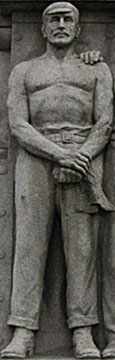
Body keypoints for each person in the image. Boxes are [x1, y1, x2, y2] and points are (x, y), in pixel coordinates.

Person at [1, 2, 114, 358]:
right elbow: (18, 124)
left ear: (78, 29)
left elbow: (106, 121)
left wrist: (81, 156)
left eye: (68, 19)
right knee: (29, 245)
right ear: (43, 29)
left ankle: (82, 332)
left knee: (82, 250)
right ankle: (22, 331)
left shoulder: (97, 70)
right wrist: (59, 154)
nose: (61, 24)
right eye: (54, 19)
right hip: (37, 158)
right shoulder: (24, 70)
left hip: (84, 155)